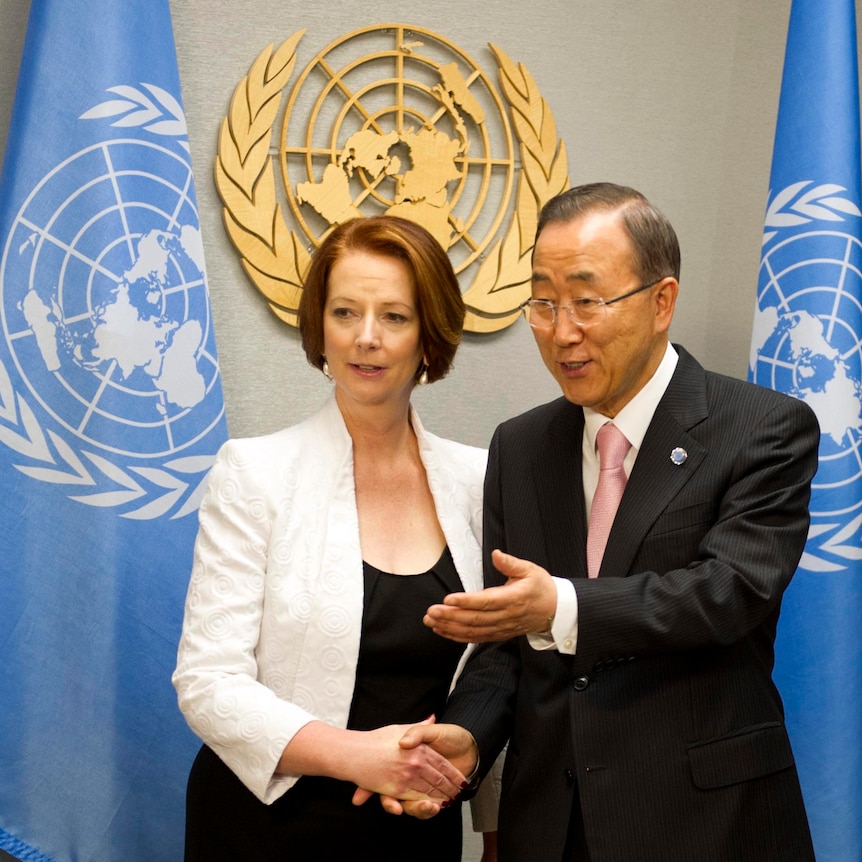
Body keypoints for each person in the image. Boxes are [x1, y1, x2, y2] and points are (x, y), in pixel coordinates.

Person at [392, 183, 820, 861]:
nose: (563, 331)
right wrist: (467, 738)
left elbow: (728, 593)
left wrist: (560, 605)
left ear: (661, 301)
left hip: (705, 823)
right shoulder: (521, 447)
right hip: (556, 829)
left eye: (587, 301)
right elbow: (512, 641)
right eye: (543, 302)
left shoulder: (762, 428)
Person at [172, 215, 498, 861]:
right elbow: (208, 682)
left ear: (430, 336)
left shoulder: (480, 481)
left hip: (415, 827)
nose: (367, 338)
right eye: (346, 311)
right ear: (320, 328)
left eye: (395, 317)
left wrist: (489, 823)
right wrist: (361, 757)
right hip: (266, 825)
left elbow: (499, 666)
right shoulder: (254, 473)